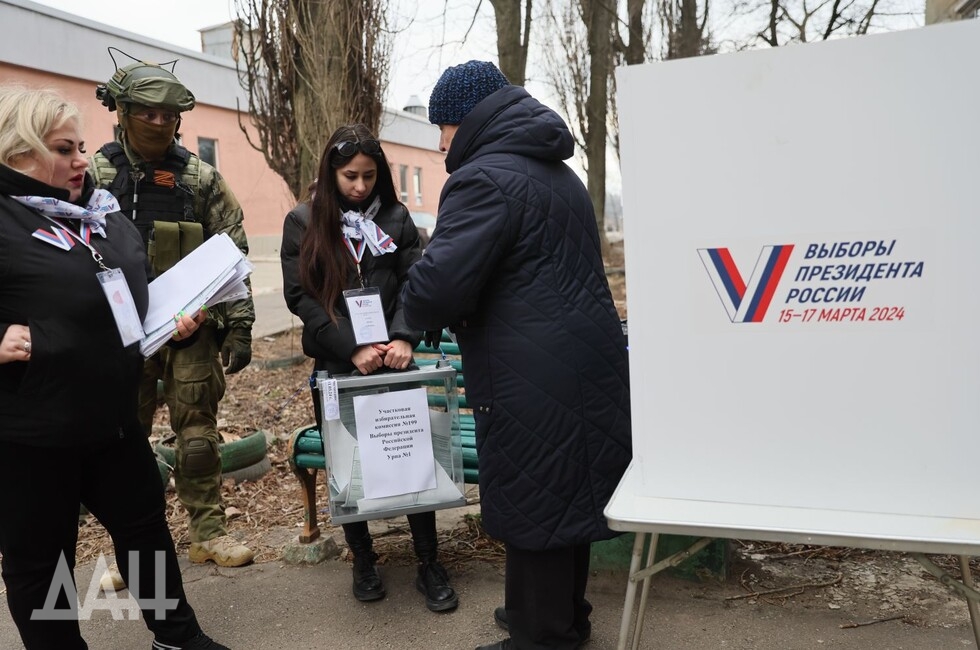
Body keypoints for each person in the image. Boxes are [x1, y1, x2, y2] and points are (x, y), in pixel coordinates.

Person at [401, 61, 633, 650]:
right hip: (585, 360)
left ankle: (542, 636)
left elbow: (442, 280)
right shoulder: (558, 172)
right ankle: (563, 617)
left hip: (531, 370)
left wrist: (405, 320)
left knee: (536, 498)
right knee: (566, 494)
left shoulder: (484, 180)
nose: (440, 141)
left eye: (443, 126)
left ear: (467, 120)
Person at [0, 85, 230, 650]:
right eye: (64, 149)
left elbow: (126, 294)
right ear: (16, 153)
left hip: (113, 419)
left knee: (144, 532)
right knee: (42, 562)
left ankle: (177, 638)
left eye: (81, 145)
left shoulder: (95, 214)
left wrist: (172, 318)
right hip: (32, 433)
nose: (83, 159)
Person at [88, 56, 256, 578]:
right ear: (122, 110)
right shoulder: (95, 175)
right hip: (123, 333)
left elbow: (233, 248)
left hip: (192, 329)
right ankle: (131, 549)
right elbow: (71, 251)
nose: (158, 122)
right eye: (147, 112)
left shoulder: (200, 179)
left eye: (168, 114)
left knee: (199, 435)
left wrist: (240, 323)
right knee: (126, 441)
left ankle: (208, 531)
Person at [280, 123, 458, 613]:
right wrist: (351, 347)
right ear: (331, 172)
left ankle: (428, 562)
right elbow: (303, 297)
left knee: (411, 456)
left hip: (394, 363)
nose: (360, 186)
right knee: (348, 463)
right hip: (340, 365)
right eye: (350, 176)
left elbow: (414, 282)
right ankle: (363, 558)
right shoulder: (303, 222)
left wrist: (404, 336)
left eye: (369, 175)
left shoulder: (397, 218)